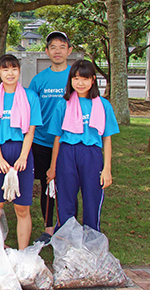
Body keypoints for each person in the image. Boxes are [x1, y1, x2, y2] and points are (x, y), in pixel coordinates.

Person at [47, 60, 119, 231]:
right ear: (70, 80)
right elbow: (57, 138)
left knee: (91, 199)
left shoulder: (103, 105)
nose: (80, 83)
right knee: (65, 199)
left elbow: (107, 138)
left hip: (91, 154)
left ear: (93, 80)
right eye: (76, 78)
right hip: (67, 153)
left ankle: (91, 240)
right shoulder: (63, 104)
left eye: (85, 79)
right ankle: (65, 242)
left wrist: (107, 168)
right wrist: (52, 167)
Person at [0, 54, 42, 250]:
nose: (10, 73)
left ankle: (23, 253)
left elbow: (31, 129)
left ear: (19, 71)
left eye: (14, 69)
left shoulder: (30, 96)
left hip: (21, 151)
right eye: (5, 69)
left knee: (22, 207)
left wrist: (23, 156)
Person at [28, 31, 73, 244]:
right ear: (46, 51)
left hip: (69, 142)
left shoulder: (75, 78)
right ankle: (48, 230)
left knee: (68, 185)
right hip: (42, 141)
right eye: (53, 47)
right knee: (47, 185)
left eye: (62, 46)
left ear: (69, 51)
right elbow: (30, 110)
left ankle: (68, 226)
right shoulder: (39, 80)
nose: (57, 51)